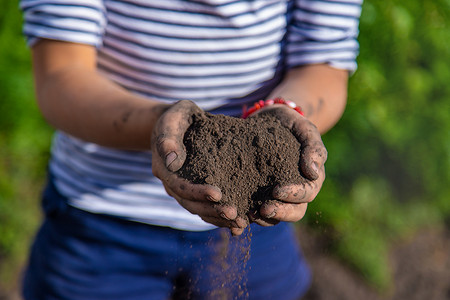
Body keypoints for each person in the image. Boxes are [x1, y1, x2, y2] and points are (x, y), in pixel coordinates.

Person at [20, 0, 362, 299]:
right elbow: (61, 75)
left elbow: (324, 68)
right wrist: (158, 124)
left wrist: (286, 114)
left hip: (255, 216)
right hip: (102, 221)